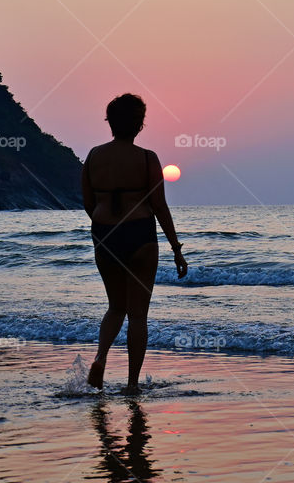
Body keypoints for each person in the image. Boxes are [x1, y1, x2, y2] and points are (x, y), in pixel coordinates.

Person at [82, 93, 187, 394]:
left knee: (115, 307)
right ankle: (131, 384)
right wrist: (176, 249)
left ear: (110, 122)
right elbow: (159, 207)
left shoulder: (93, 157)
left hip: (104, 233)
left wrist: (106, 224)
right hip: (140, 233)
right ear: (139, 124)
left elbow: (88, 203)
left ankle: (100, 360)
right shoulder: (147, 158)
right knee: (138, 314)